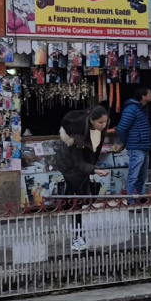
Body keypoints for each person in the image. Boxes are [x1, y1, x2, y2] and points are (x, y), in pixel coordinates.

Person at [54, 104, 110, 250]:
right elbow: (79, 163)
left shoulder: (98, 130)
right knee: (76, 199)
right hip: (69, 165)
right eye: (100, 123)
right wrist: (95, 170)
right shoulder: (75, 137)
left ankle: (81, 234)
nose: (104, 125)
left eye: (105, 122)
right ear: (91, 120)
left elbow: (93, 153)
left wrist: (92, 167)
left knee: (82, 196)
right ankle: (77, 237)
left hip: (84, 164)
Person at [116, 86, 151, 197]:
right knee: (133, 176)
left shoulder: (143, 108)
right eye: (150, 93)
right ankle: (131, 201)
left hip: (144, 146)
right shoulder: (131, 109)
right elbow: (121, 128)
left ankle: (140, 199)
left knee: (142, 177)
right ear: (143, 96)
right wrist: (126, 143)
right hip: (136, 147)